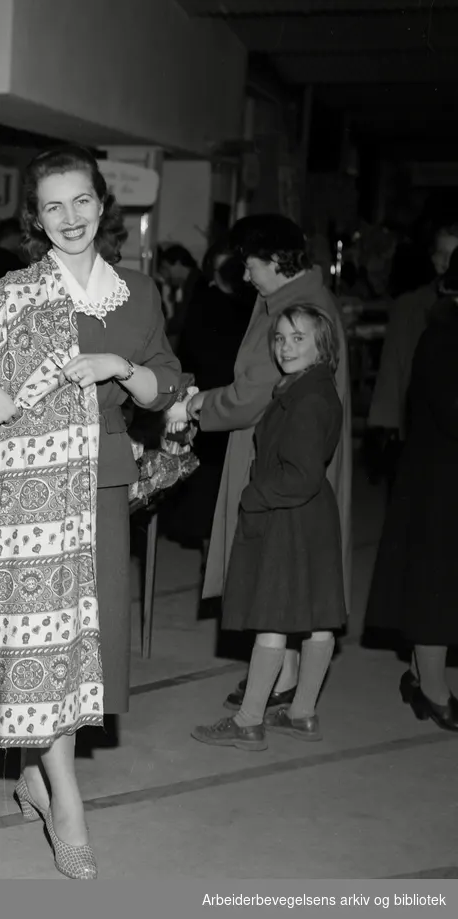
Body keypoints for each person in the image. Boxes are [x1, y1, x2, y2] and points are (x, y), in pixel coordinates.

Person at [0, 144, 180, 878]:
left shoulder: (137, 292)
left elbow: (166, 379)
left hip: (99, 485)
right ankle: (67, 799)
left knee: (84, 646)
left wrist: (119, 367)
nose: (70, 217)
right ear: (37, 218)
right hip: (32, 495)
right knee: (46, 641)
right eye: (53, 205)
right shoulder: (15, 292)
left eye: (82, 201)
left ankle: (34, 774)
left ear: (103, 204)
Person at [167, 215, 352, 712]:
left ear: (274, 263)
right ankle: (288, 683)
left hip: (279, 463)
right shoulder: (296, 297)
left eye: (250, 267)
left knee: (275, 574)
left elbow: (253, 393)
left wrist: (198, 404)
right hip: (290, 456)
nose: (245, 278)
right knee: (293, 581)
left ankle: (268, 693)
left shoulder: (294, 311)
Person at [191, 304, 346, 750]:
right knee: (316, 618)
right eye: (279, 338)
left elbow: (299, 475)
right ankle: (303, 713)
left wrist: (251, 497)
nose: (285, 347)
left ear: (322, 344)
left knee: (273, 617)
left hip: (288, 514)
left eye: (298, 338)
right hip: (313, 515)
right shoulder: (311, 387)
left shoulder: (308, 397)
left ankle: (249, 720)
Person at [364, 251, 458, 733]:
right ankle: (432, 690)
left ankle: (421, 675)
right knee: (435, 589)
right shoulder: (443, 339)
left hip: (439, 480)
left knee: (440, 586)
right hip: (439, 485)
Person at [161, 242, 256, 549]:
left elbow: (189, 347)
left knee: (207, 470)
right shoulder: (251, 307)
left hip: (208, 397)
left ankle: (201, 537)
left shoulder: (209, 302)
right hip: (225, 398)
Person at [366, 222, 458, 482]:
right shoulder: (409, 307)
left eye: (454, 256)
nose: (448, 263)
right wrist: (387, 423)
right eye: (443, 255)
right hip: (416, 425)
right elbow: (392, 368)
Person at [156, 243, 201, 339]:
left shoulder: (196, 285)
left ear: (178, 263)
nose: (164, 275)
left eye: (165, 268)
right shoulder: (190, 283)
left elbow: (181, 321)